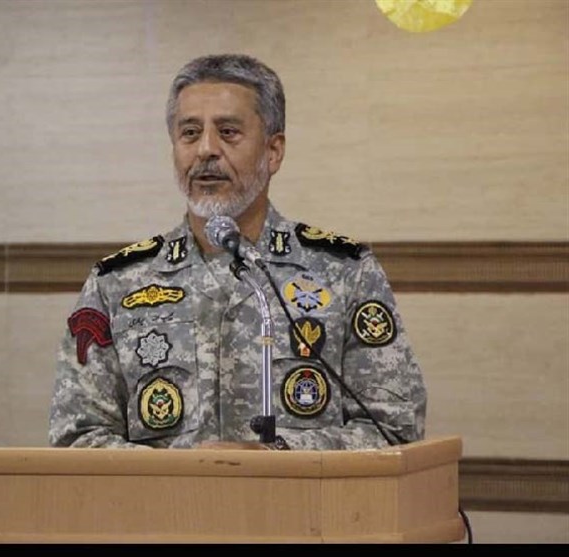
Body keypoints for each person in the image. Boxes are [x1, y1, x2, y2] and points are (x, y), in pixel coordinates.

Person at [49, 54, 426, 451]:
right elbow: (77, 437)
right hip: (168, 495)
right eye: (190, 133)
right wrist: (188, 473)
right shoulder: (117, 284)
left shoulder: (345, 273)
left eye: (228, 132)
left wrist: (274, 458)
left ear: (273, 151)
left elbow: (394, 429)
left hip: (298, 495)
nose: (206, 150)